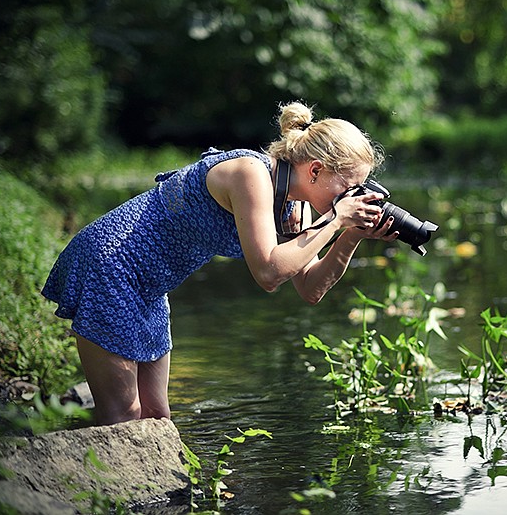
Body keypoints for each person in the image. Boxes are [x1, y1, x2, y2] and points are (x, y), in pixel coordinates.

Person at [42, 101, 398, 425]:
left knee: (155, 417)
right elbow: (269, 272)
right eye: (349, 186)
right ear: (316, 170)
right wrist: (336, 221)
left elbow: (310, 288)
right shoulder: (251, 174)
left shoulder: (297, 204)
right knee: (123, 416)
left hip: (151, 285)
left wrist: (351, 234)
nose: (354, 196)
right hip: (113, 263)